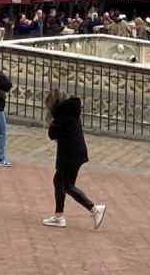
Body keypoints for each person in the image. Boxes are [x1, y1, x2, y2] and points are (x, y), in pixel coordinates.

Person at [42, 89, 105, 229]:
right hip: (75, 152)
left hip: (70, 154)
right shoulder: (70, 110)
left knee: (67, 186)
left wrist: (53, 119)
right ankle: (59, 216)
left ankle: (94, 209)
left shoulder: (62, 115)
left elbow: (52, 134)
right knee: (58, 180)